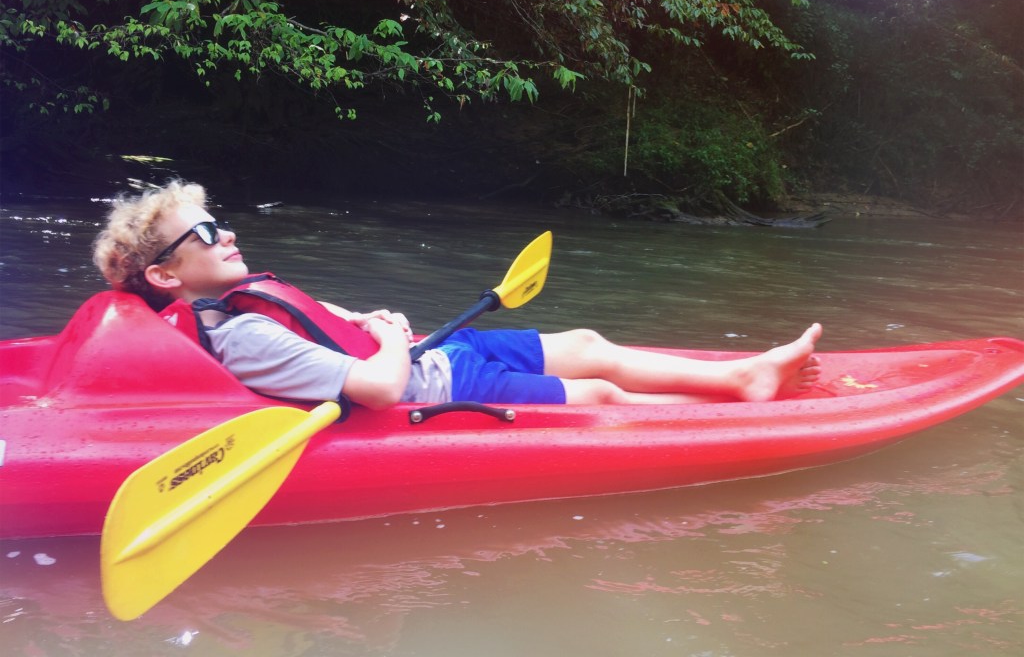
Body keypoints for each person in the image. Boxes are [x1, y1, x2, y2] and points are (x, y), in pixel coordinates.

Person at [92, 180, 823, 409]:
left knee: (587, 344)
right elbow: (379, 389)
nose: (225, 234)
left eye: (218, 222)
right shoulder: (241, 337)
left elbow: (325, 324)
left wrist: (367, 319)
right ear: (165, 276)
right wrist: (390, 338)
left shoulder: (244, 301)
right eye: (204, 233)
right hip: (440, 389)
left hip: (441, 353)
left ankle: (742, 374)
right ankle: (739, 403)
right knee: (600, 395)